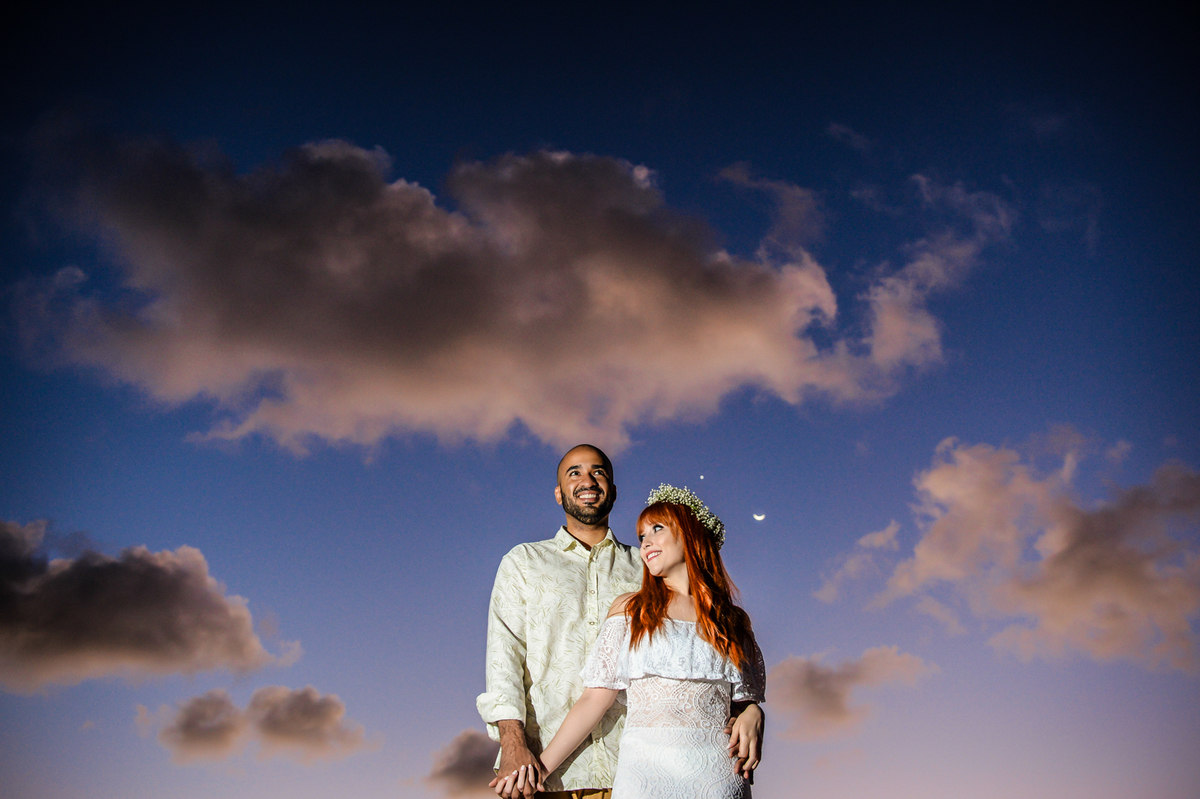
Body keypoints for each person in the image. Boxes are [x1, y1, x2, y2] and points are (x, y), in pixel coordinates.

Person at [496, 484, 766, 799]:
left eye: (657, 528)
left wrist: (754, 713)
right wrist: (540, 771)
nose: (646, 542)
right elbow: (594, 699)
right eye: (641, 536)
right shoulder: (631, 609)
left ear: (691, 533)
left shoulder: (731, 621)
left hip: (718, 778)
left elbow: (741, 701)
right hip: (644, 778)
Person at [477, 444, 644, 798]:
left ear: (613, 491)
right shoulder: (524, 561)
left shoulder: (646, 567)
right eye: (574, 473)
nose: (588, 480)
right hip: (544, 774)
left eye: (598, 472)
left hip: (635, 771)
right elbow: (504, 657)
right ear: (558, 493)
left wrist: (745, 706)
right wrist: (512, 743)